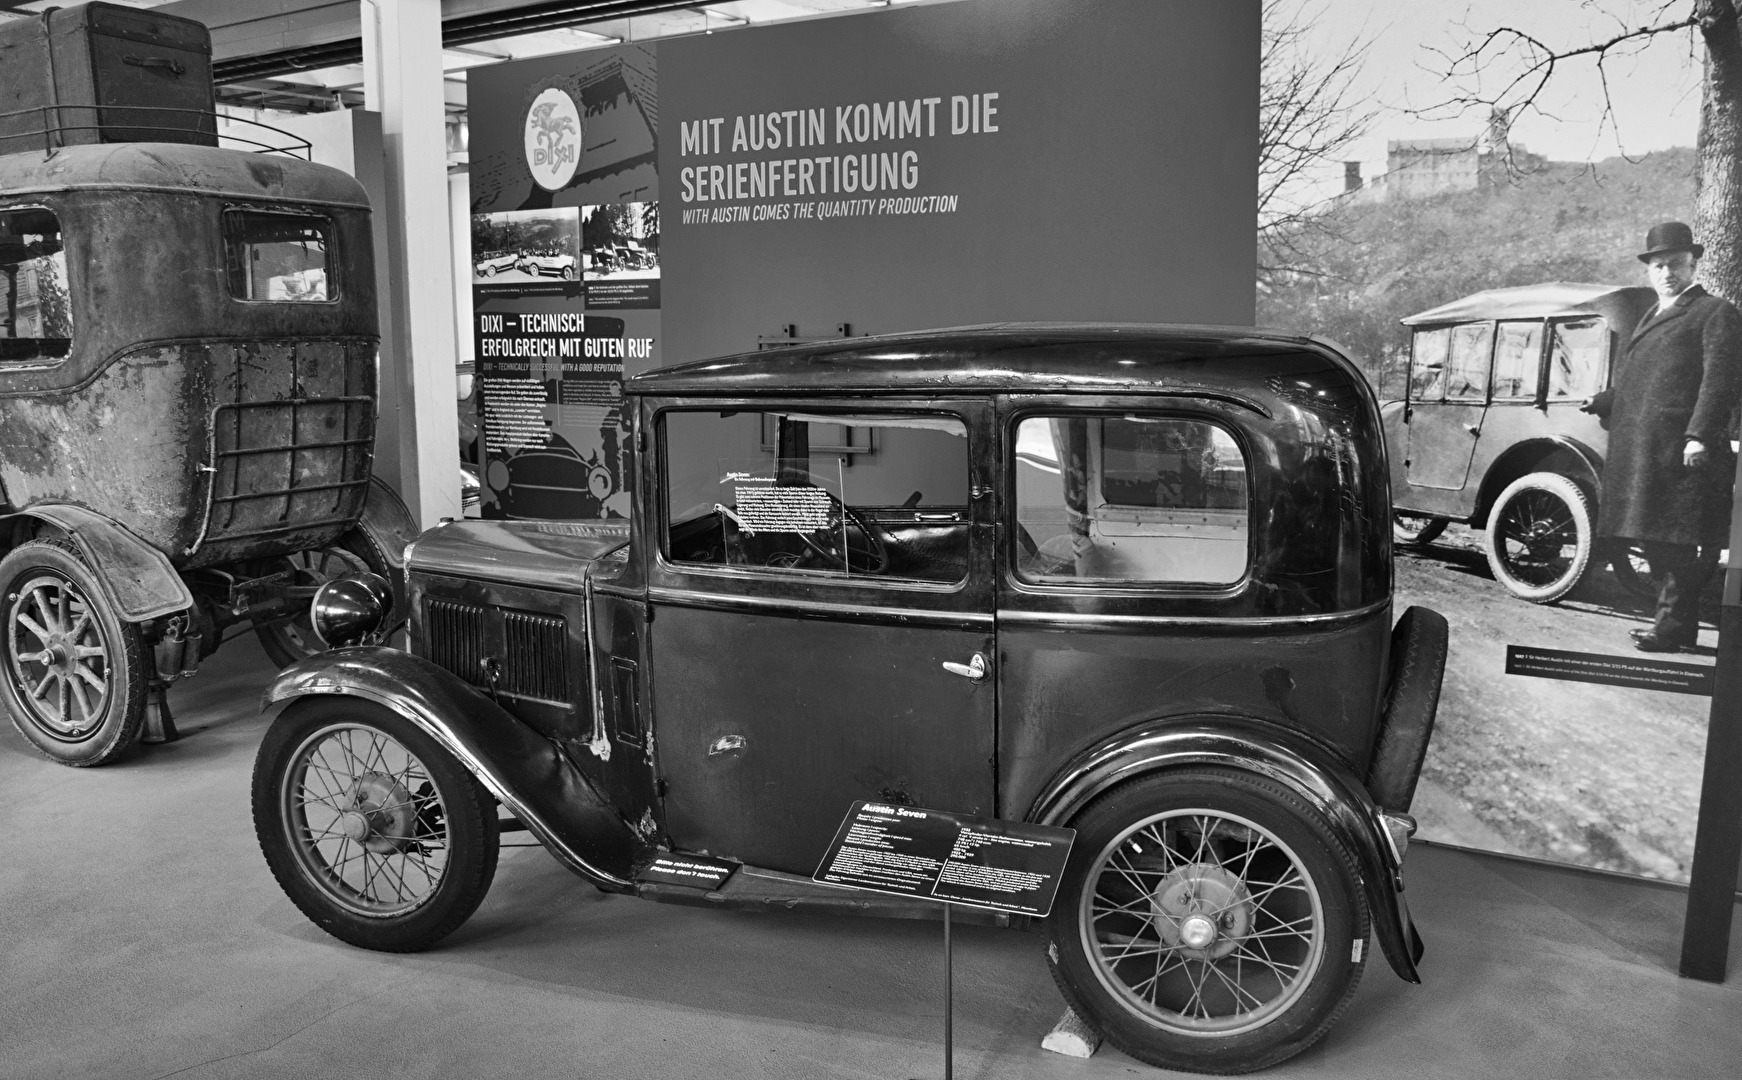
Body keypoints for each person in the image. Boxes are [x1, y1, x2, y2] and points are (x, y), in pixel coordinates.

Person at [1584, 222, 1742, 651]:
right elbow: (1641, 381)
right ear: (1648, 271)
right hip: (1644, 449)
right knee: (1656, 539)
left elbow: (1719, 381)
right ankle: (1676, 628)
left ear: (1693, 264)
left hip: (1679, 448)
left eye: (1675, 263)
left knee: (1674, 543)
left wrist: (1699, 436)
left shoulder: (1715, 312)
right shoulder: (1651, 314)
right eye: (1658, 265)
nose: (1667, 272)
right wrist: (1604, 401)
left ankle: (1672, 631)